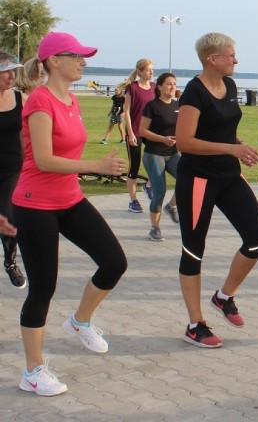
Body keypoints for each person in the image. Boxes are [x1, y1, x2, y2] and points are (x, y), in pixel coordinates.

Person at [13, 32, 128, 396]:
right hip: (34, 205)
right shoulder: (39, 101)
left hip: (70, 200)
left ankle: (80, 321)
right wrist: (96, 164)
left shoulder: (72, 100)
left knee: (114, 262)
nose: (83, 61)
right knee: (43, 288)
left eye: (84, 57)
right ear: (52, 61)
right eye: (75, 56)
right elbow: (44, 159)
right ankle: (32, 371)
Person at [174, 33, 258, 349]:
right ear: (212, 58)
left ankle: (224, 295)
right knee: (193, 249)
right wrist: (229, 148)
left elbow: (222, 129)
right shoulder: (194, 92)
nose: (236, 60)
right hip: (198, 180)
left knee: (257, 239)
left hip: (228, 176)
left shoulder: (229, 86)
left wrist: (238, 146)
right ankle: (195, 324)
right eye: (230, 55)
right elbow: (184, 142)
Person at [139, 72, 180, 241]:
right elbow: (142, 131)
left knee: (188, 177)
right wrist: (163, 139)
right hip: (154, 154)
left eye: (174, 84)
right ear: (160, 86)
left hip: (172, 153)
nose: (172, 87)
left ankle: (171, 206)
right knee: (160, 191)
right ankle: (154, 229)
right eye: (169, 84)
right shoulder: (152, 106)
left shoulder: (178, 105)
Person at [0, 51, 27, 288]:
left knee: (9, 218)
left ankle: (10, 262)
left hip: (12, 169)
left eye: (13, 71)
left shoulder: (20, 98)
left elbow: (24, 135)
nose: (11, 76)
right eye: (6, 71)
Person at [122, 59, 155, 213]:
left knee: (156, 160)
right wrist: (130, 133)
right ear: (140, 71)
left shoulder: (155, 88)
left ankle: (148, 185)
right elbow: (126, 111)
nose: (151, 73)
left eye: (152, 70)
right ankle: (133, 201)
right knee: (134, 166)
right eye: (148, 70)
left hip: (150, 131)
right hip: (135, 132)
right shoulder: (132, 88)